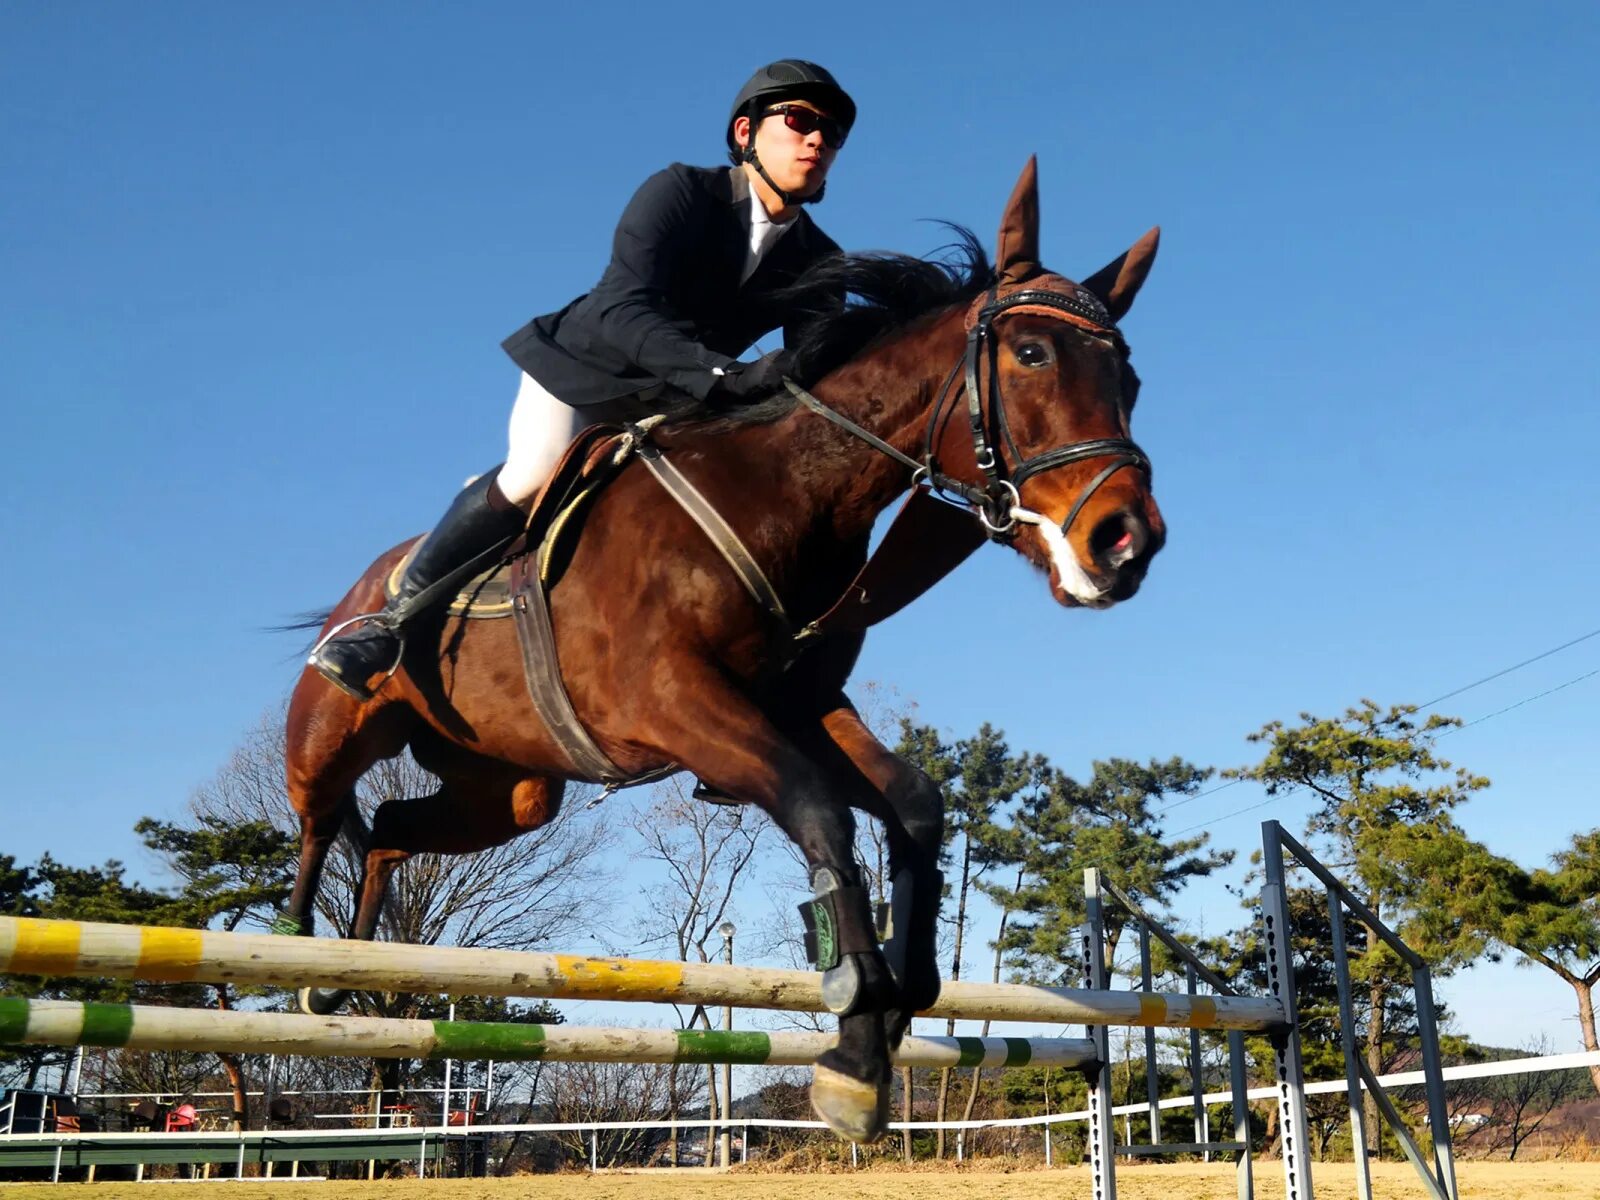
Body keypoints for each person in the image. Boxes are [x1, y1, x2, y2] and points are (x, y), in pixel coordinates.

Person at [310, 60, 856, 701]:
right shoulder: (680, 191)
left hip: (680, 405)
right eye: (799, 121)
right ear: (745, 132)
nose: (817, 140)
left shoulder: (823, 262)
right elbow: (625, 309)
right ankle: (387, 623)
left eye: (832, 133)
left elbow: (816, 383)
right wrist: (729, 375)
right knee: (535, 471)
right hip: (583, 371)